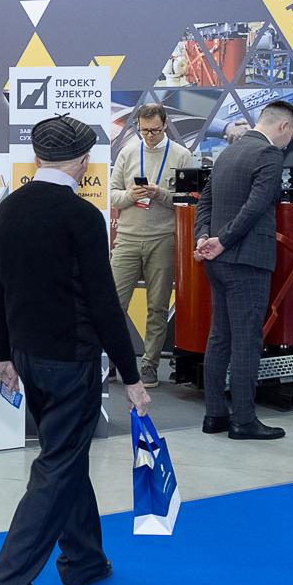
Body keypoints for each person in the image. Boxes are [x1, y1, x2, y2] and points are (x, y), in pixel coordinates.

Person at [0, 115, 151, 585]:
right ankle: (8, 582)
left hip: (28, 356)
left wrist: (3, 354)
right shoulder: (82, 216)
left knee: (66, 454)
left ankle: (84, 561)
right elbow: (103, 304)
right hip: (70, 359)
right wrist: (132, 376)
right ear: (83, 161)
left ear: (38, 157)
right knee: (58, 465)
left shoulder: (9, 208)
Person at [193, 100, 293, 440]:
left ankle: (215, 416)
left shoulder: (229, 152)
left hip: (218, 262)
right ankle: (243, 420)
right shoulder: (268, 154)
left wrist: (204, 238)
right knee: (246, 341)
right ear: (284, 127)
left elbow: (205, 202)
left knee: (220, 337)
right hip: (246, 261)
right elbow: (256, 207)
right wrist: (223, 240)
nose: (288, 144)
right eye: (291, 137)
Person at [109, 103, 197, 387]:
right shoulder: (128, 152)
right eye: (144, 130)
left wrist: (160, 194)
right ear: (138, 126)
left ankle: (149, 365)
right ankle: (111, 360)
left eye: (155, 130)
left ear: (165, 124)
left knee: (157, 307)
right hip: (127, 237)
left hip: (163, 239)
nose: (149, 136)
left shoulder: (182, 155)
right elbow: (112, 195)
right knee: (113, 305)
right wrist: (130, 196)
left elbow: (189, 200)